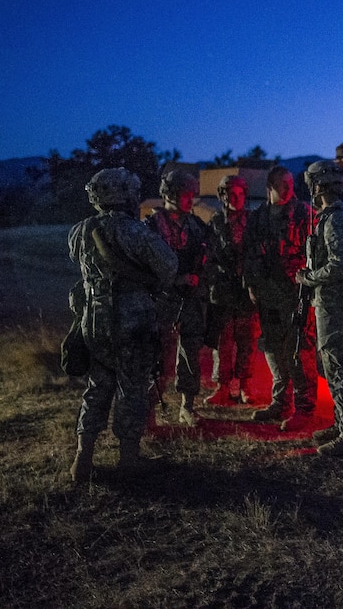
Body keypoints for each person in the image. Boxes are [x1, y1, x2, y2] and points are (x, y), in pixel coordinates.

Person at [68, 167, 178, 483]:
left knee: (98, 386)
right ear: (126, 194)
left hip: (93, 320)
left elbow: (79, 264)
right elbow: (168, 267)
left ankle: (82, 459)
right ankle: (128, 458)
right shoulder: (134, 231)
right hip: (133, 320)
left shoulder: (80, 230)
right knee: (131, 388)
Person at [295, 160, 343, 456]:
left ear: (319, 185)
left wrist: (308, 278)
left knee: (340, 368)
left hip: (334, 304)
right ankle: (342, 425)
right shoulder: (332, 216)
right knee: (332, 365)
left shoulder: (336, 219)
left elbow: (340, 264)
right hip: (330, 303)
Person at [244, 165, 317, 431]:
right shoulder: (259, 217)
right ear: (270, 188)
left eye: (289, 184)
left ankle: (305, 408)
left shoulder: (304, 213)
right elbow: (249, 251)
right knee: (273, 347)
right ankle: (281, 402)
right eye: (281, 185)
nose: (287, 190)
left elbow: (316, 251)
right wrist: (251, 284)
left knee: (299, 348)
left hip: (296, 291)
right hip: (268, 291)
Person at [145, 169, 207, 427]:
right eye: (186, 194)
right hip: (162, 300)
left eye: (192, 195)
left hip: (190, 300)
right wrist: (176, 280)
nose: (190, 200)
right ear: (170, 193)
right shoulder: (151, 227)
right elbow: (146, 267)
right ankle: (148, 412)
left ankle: (188, 407)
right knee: (159, 358)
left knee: (190, 354)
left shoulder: (196, 226)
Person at [204, 174, 257, 407]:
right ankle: (223, 387)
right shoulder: (215, 223)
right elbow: (208, 256)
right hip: (224, 290)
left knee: (247, 341)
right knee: (223, 342)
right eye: (231, 194)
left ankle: (245, 386)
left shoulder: (253, 222)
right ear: (223, 196)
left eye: (240, 194)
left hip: (246, 290)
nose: (236, 199)